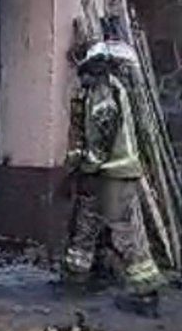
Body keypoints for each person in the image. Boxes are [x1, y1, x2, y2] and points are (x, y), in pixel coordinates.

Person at [60, 40, 164, 317]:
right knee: (86, 221)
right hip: (101, 174)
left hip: (114, 174)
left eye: (82, 69)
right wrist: (76, 168)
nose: (79, 75)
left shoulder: (104, 94)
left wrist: (84, 170)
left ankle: (146, 292)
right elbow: (83, 141)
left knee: (125, 233)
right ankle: (75, 278)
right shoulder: (92, 92)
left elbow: (99, 144)